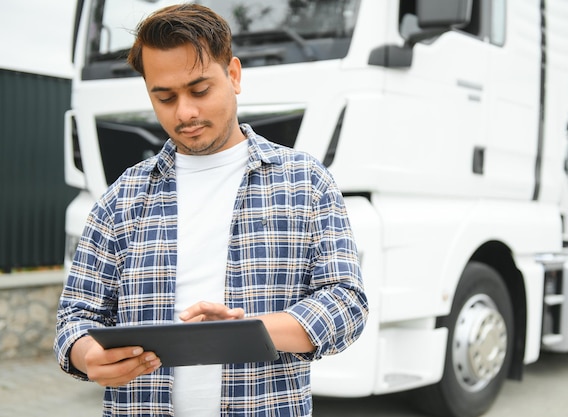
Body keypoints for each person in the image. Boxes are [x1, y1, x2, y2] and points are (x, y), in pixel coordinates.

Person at [54, 3, 368, 417]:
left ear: (234, 75)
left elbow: (346, 303)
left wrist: (243, 332)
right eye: (164, 97)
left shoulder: (305, 182)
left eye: (199, 90)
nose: (184, 112)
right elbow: (74, 316)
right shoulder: (122, 197)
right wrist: (84, 354)